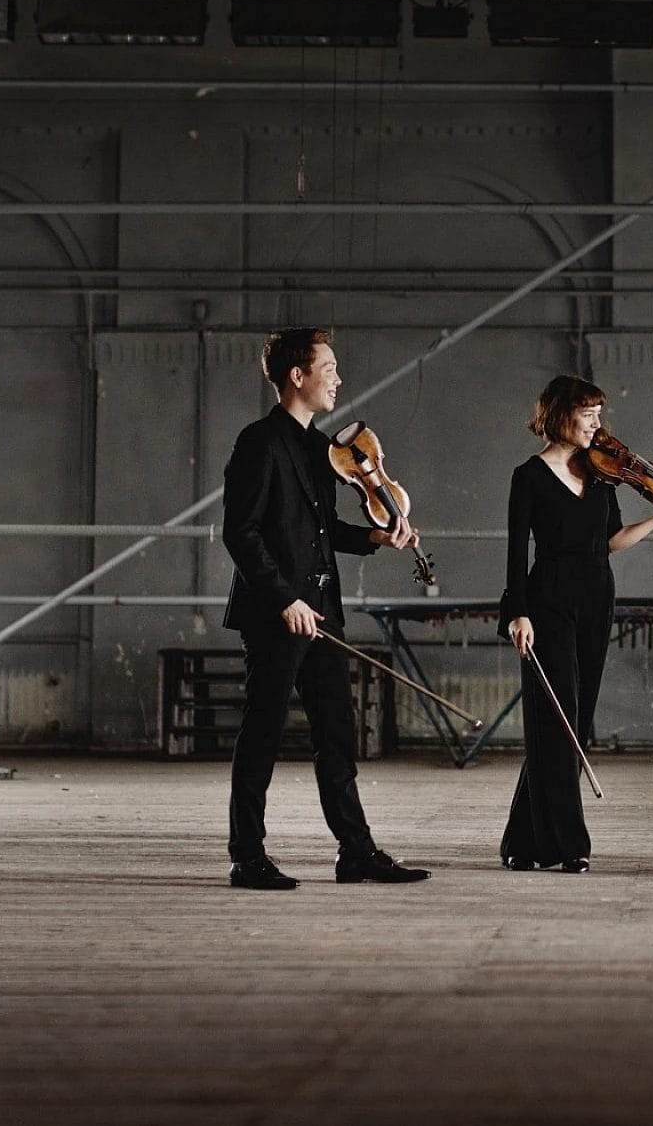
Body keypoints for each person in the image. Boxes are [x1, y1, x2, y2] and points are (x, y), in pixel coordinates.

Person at [221, 327, 430, 891]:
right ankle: (246, 856)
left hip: (321, 606)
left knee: (336, 732)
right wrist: (284, 598)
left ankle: (356, 852)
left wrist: (376, 537)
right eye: (329, 368)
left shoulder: (324, 450)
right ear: (298, 376)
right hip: (278, 613)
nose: (338, 379)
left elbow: (324, 528)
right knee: (262, 732)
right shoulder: (259, 442)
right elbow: (241, 533)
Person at [500, 375, 653, 873]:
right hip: (548, 600)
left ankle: (522, 840)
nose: (597, 424)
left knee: (575, 720)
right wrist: (517, 613)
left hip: (596, 597)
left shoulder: (601, 476)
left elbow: (612, 541)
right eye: (587, 413)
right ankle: (569, 844)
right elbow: (515, 553)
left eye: (598, 413)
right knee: (555, 717)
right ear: (559, 414)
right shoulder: (528, 476)